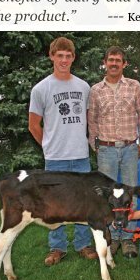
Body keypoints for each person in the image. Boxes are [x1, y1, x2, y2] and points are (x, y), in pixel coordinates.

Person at [28, 36, 98, 266]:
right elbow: (33, 125)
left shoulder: (83, 86)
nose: (64, 60)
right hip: (56, 158)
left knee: (82, 203)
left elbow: (89, 119)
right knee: (54, 205)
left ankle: (83, 244)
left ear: (73, 58)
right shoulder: (41, 89)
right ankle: (57, 247)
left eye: (68, 56)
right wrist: (48, 147)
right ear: (52, 56)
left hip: (80, 156)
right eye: (60, 56)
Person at [88, 46, 140, 259]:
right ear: (105, 62)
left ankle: (128, 238)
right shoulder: (96, 90)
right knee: (108, 197)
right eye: (110, 59)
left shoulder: (134, 86)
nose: (114, 63)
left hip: (130, 147)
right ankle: (111, 237)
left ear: (124, 64)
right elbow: (92, 118)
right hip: (106, 149)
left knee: (131, 195)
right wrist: (95, 145)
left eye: (118, 60)